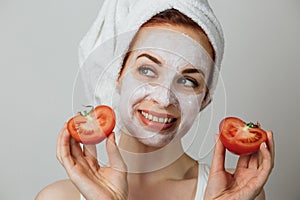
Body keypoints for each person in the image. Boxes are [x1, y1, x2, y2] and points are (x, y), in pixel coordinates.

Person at [36, 0, 274, 199]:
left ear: (205, 98)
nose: (163, 98)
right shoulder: (58, 197)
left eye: (188, 81)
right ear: (117, 74)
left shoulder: (236, 193)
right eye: (147, 70)